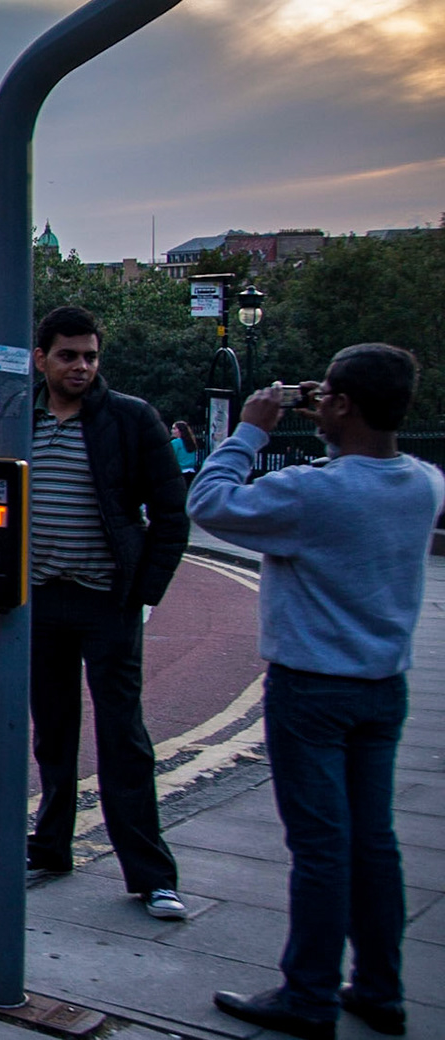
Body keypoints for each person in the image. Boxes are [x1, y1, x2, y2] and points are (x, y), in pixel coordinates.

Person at [192, 347, 443, 1040]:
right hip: (384, 687)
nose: (320, 402)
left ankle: (308, 995)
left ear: (342, 405)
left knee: (322, 848)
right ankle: (380, 987)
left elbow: (208, 502)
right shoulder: (424, 483)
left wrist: (250, 429)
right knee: (376, 842)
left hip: (311, 689)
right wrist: (323, 402)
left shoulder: (315, 492)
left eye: (327, 394)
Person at [26, 305, 190, 919]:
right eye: (68, 355)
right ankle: (50, 845)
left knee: (124, 738)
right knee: (53, 733)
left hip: (106, 603)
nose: (82, 366)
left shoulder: (130, 419)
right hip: (39, 601)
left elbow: (172, 517)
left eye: (91, 356)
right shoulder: (19, 417)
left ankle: (151, 875)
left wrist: (141, 593)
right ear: (41, 358)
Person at [170, 420, 201, 485]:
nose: (172, 431)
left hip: (180, 473)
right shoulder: (191, 442)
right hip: (191, 472)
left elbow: (171, 458)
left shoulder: (175, 442)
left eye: (174, 428)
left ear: (180, 430)